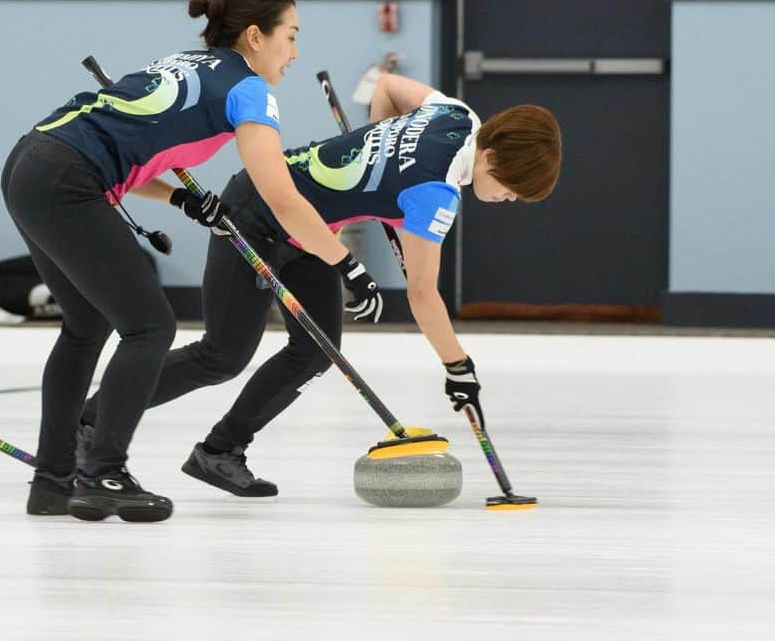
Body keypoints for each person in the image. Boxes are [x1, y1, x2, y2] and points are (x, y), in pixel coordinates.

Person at [2, 0, 381, 522]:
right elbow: (281, 196)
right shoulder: (250, 90)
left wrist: (180, 197)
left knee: (86, 327)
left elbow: (126, 151)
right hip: (68, 177)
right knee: (150, 326)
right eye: (290, 37)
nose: (295, 53)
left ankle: (54, 481)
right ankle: (103, 470)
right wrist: (346, 263)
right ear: (255, 36)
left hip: (32, 161)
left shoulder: (185, 62)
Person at [79, 73, 562, 496]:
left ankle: (220, 451)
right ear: (492, 156)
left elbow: (388, 89)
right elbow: (423, 294)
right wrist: (458, 367)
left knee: (316, 349)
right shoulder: (436, 191)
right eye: (511, 190)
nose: (506, 200)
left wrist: (377, 146)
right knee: (222, 355)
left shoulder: (454, 114)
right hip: (256, 210)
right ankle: (90, 424)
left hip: (308, 233)